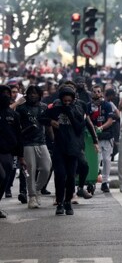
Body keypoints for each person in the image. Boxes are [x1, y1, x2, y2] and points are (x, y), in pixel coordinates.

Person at [40, 86, 85, 216]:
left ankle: (68, 201)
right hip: (59, 148)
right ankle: (59, 202)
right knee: (60, 175)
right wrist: (51, 121)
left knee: (70, 177)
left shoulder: (78, 109)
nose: (67, 103)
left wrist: (70, 113)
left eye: (69, 101)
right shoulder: (55, 109)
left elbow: (79, 128)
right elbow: (41, 118)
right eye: (64, 101)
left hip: (73, 149)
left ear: (73, 99)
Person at [16, 84, 51, 209]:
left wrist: (52, 139)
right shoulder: (21, 108)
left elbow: (48, 125)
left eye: (35, 93)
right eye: (30, 93)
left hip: (41, 142)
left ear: (40, 95)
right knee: (30, 171)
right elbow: (17, 126)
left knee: (47, 168)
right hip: (27, 143)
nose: (32, 95)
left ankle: (36, 190)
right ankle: (32, 197)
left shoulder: (44, 107)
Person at [0, 84, 25, 218]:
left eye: (7, 93)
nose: (5, 96)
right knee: (1, 176)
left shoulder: (14, 115)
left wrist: (21, 156)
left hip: (8, 152)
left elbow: (19, 136)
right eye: (2, 93)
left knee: (5, 179)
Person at [88, 85, 118, 193]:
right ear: (91, 93)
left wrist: (101, 127)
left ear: (101, 93)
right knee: (95, 161)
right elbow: (87, 119)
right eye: (94, 91)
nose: (96, 93)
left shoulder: (107, 105)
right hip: (94, 138)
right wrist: (93, 129)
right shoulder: (88, 106)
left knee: (106, 160)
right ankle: (92, 181)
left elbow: (110, 120)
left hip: (107, 136)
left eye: (98, 91)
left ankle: (105, 182)